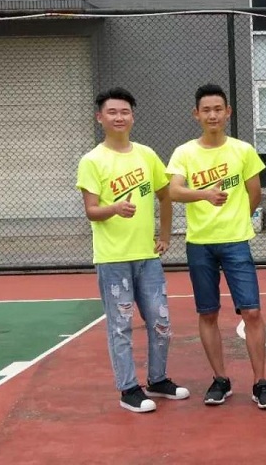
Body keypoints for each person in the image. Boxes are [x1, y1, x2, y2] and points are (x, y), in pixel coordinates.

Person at [77, 87, 189, 413]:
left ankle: (158, 379)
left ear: (132, 117)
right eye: (112, 112)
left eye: (124, 112)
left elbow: (165, 195)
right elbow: (91, 210)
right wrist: (114, 209)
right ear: (100, 117)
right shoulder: (92, 160)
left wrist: (165, 235)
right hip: (113, 259)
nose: (119, 117)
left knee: (161, 321)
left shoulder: (146, 154)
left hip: (147, 257)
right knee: (121, 326)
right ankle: (128, 389)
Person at [167, 83, 266, 409]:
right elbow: (174, 191)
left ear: (228, 112)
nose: (212, 115)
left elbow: (254, 193)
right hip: (199, 243)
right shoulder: (184, 152)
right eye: (206, 110)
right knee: (208, 312)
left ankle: (260, 383)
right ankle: (220, 379)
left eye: (218, 109)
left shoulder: (242, 150)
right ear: (196, 114)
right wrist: (205, 195)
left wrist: (236, 220)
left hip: (235, 242)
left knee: (252, 312)